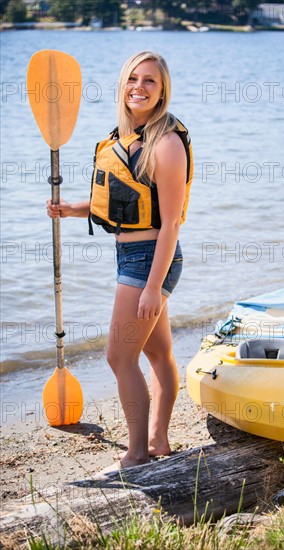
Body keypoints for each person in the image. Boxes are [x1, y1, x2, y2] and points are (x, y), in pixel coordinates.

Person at [47, 51, 193, 469]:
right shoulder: (125, 138)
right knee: (157, 354)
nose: (139, 87)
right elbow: (115, 206)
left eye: (150, 80)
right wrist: (69, 209)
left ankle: (136, 454)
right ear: (122, 84)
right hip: (132, 254)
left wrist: (152, 286)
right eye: (133, 78)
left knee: (119, 357)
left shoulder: (166, 143)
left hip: (150, 259)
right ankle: (159, 441)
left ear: (162, 89)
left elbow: (170, 225)